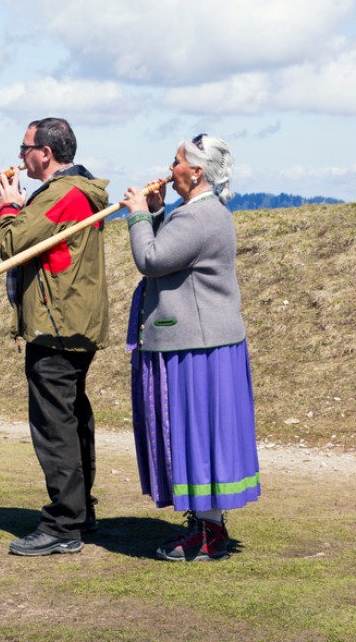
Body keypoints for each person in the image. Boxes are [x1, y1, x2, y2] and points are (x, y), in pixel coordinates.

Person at [119, 134, 260, 562]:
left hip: (196, 347)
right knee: (196, 432)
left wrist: (140, 216)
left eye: (177, 160)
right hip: (202, 342)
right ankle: (205, 523)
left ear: (196, 171)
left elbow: (153, 259)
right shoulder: (197, 214)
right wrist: (160, 211)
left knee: (196, 432)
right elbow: (173, 254)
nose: (170, 166)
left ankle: (208, 530)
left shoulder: (198, 217)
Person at [0, 117, 111, 556]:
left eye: (25, 148)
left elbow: (13, 244)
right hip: (73, 321)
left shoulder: (63, 195)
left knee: (55, 425)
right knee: (73, 418)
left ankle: (63, 524)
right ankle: (80, 512)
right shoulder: (76, 191)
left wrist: (8, 208)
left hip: (57, 324)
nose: (21, 156)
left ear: (45, 152)